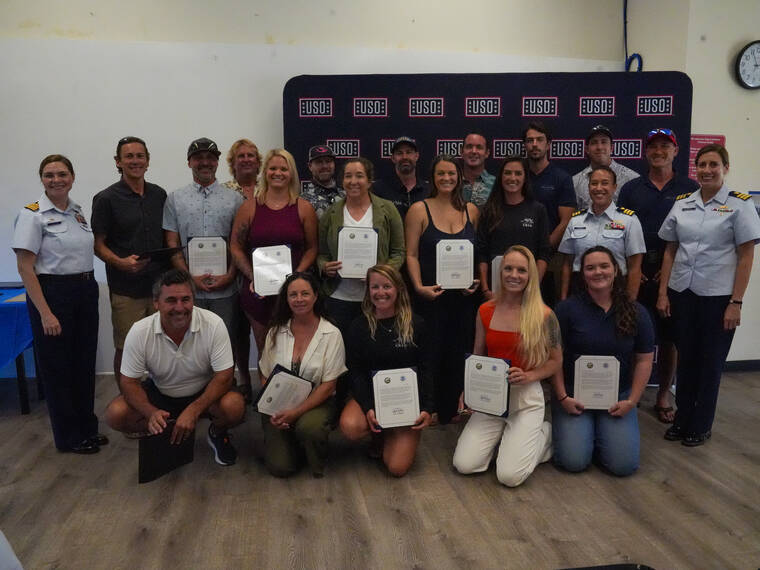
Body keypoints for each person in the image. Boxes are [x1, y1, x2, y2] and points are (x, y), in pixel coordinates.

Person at [657, 144, 760, 446]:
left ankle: (700, 425)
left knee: (710, 362)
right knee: (686, 360)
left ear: (725, 168)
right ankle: (682, 418)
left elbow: (746, 257)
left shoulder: (739, 205)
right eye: (702, 165)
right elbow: (670, 250)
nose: (707, 170)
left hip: (717, 298)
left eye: (714, 164)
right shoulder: (683, 203)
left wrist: (736, 303)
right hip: (683, 293)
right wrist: (663, 292)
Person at [105, 269, 245, 465]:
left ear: (193, 300)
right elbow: (129, 382)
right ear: (156, 303)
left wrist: (194, 410)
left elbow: (224, 376)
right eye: (171, 300)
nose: (179, 307)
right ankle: (163, 430)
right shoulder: (139, 331)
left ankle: (217, 432)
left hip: (203, 393)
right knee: (115, 413)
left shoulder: (213, 324)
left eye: (185, 299)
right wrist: (150, 412)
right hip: (161, 392)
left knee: (235, 406)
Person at [12, 154, 103, 454]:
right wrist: (46, 313)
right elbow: (26, 267)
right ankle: (68, 437)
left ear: (72, 177)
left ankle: (87, 428)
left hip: (84, 290)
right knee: (58, 368)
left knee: (83, 362)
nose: (56, 180)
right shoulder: (33, 214)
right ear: (42, 179)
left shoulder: (77, 212)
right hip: (53, 294)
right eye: (49, 175)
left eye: (62, 174)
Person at [453, 246, 561, 487]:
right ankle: (508, 442)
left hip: (526, 398)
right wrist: (467, 391)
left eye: (521, 270)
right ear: (499, 273)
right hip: (491, 399)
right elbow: (478, 354)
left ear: (530, 275)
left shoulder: (545, 315)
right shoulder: (485, 310)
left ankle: (543, 435)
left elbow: (556, 362)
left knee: (509, 477)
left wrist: (530, 375)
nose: (514, 275)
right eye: (508, 269)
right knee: (465, 465)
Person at [617, 128, 699, 423]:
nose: (659, 151)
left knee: (669, 340)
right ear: (646, 152)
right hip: (635, 273)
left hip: (674, 277)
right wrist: (630, 273)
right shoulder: (631, 189)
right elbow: (620, 231)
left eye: (665, 146)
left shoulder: (690, 188)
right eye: (653, 147)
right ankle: (628, 392)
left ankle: (663, 395)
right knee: (627, 334)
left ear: (676, 151)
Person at [552, 246, 655, 476]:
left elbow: (644, 360)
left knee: (624, 466)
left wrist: (632, 401)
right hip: (573, 395)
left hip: (618, 398)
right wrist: (562, 397)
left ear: (616, 270)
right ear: (583, 274)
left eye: (604, 266)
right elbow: (553, 358)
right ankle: (585, 435)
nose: (598, 272)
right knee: (573, 462)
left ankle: (598, 434)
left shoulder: (637, 312)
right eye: (590, 268)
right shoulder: (566, 309)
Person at [405, 154, 480, 423]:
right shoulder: (419, 210)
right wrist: (418, 287)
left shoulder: (471, 210)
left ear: (459, 177)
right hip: (430, 297)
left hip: (462, 298)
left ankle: (454, 407)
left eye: (451, 173)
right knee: (430, 352)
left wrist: (474, 281)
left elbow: (474, 253)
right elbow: (410, 254)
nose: (447, 178)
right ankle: (430, 408)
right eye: (441, 174)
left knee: (459, 350)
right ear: (432, 178)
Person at [339, 265, 434, 476]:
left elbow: (427, 368)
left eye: (387, 286)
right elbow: (356, 372)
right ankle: (380, 433)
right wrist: (368, 406)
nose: (380, 292)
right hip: (373, 395)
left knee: (396, 468)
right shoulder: (359, 326)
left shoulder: (416, 324)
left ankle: (393, 432)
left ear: (398, 289)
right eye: (375, 287)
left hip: (406, 401)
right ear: (368, 291)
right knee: (351, 426)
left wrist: (427, 408)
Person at [92, 136, 168, 387]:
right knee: (127, 349)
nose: (135, 161)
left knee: (163, 347)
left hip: (160, 288)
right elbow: (98, 244)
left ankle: (163, 398)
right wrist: (120, 262)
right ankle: (129, 404)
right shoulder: (106, 199)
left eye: (140, 156)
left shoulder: (159, 194)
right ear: (118, 161)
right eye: (129, 156)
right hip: (127, 289)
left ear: (147, 161)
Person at [230, 148, 318, 362]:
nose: (277, 173)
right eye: (272, 168)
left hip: (294, 294)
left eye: (283, 169)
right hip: (257, 292)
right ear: (265, 172)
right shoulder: (249, 208)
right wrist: (253, 276)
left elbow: (312, 248)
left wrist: (295, 278)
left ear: (291, 173)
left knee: (295, 350)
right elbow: (235, 246)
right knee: (265, 351)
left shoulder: (304, 208)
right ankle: (266, 394)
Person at [257, 272, 346, 477]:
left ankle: (311, 448)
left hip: (317, 402)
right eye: (293, 294)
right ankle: (291, 444)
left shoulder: (332, 334)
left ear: (315, 296)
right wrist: (271, 405)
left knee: (309, 428)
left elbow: (329, 386)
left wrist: (295, 413)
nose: (299, 299)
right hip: (278, 405)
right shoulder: (275, 331)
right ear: (286, 299)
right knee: (281, 468)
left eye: (305, 293)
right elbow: (264, 373)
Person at [163, 137, 244, 355]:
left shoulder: (235, 199)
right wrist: (189, 277)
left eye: (210, 158)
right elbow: (172, 243)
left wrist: (229, 275)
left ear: (217, 162)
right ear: (189, 162)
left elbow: (240, 244)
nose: (205, 162)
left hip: (226, 289)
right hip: (189, 290)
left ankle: (225, 386)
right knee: (191, 344)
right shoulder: (175, 199)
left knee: (225, 342)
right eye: (198, 158)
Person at [317, 157, 406, 333]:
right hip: (339, 298)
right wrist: (325, 266)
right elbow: (322, 254)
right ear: (342, 181)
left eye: (359, 176)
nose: (353, 181)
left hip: (378, 299)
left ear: (369, 180)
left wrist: (381, 274)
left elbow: (398, 252)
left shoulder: (387, 210)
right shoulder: (331, 213)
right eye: (348, 176)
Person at [559, 166, 646, 301]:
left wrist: (630, 303)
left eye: (605, 183)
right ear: (588, 187)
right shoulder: (575, 221)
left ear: (614, 187)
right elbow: (567, 264)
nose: (599, 188)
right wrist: (564, 299)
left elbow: (635, 267)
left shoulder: (629, 220)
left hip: (616, 288)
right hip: (580, 288)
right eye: (594, 183)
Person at [476, 156, 552, 300]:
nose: (512, 178)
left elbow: (544, 253)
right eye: (507, 173)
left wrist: (533, 288)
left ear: (525, 178)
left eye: (518, 173)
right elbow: (482, 252)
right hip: (495, 290)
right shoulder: (489, 211)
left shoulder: (537, 210)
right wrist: (485, 289)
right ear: (501, 177)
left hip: (528, 291)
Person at [221, 138, 262, 398]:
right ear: (232, 162)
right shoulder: (223, 192)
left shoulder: (269, 189)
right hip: (229, 269)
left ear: (258, 163)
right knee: (237, 330)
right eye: (241, 156)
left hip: (265, 271)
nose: (246, 159)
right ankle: (244, 379)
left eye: (251, 156)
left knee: (264, 328)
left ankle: (268, 381)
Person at [522, 121, 577, 305]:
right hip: (519, 255)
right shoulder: (516, 175)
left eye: (539, 140)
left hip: (552, 258)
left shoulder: (561, 178)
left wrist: (543, 250)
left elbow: (566, 220)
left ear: (548, 144)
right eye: (530, 140)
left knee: (547, 311)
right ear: (525, 145)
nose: (535, 144)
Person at [572, 125, 639, 210]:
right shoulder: (575, 182)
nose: (599, 147)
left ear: (611, 148)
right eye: (594, 143)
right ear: (587, 149)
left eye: (604, 142)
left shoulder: (632, 179)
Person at [373, 137, 429, 220]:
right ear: (393, 158)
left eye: (409, 152)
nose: (404, 157)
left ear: (416, 156)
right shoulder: (379, 189)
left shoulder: (428, 190)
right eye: (399, 153)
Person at [300, 145, 345, 219]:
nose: (324, 166)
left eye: (328, 161)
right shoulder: (303, 201)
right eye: (319, 162)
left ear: (334, 164)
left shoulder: (346, 195)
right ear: (310, 166)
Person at [461, 133, 495, 207]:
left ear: (487, 153)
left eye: (479, 147)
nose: (473, 151)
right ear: (461, 152)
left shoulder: (496, 184)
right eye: (469, 147)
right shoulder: (452, 182)